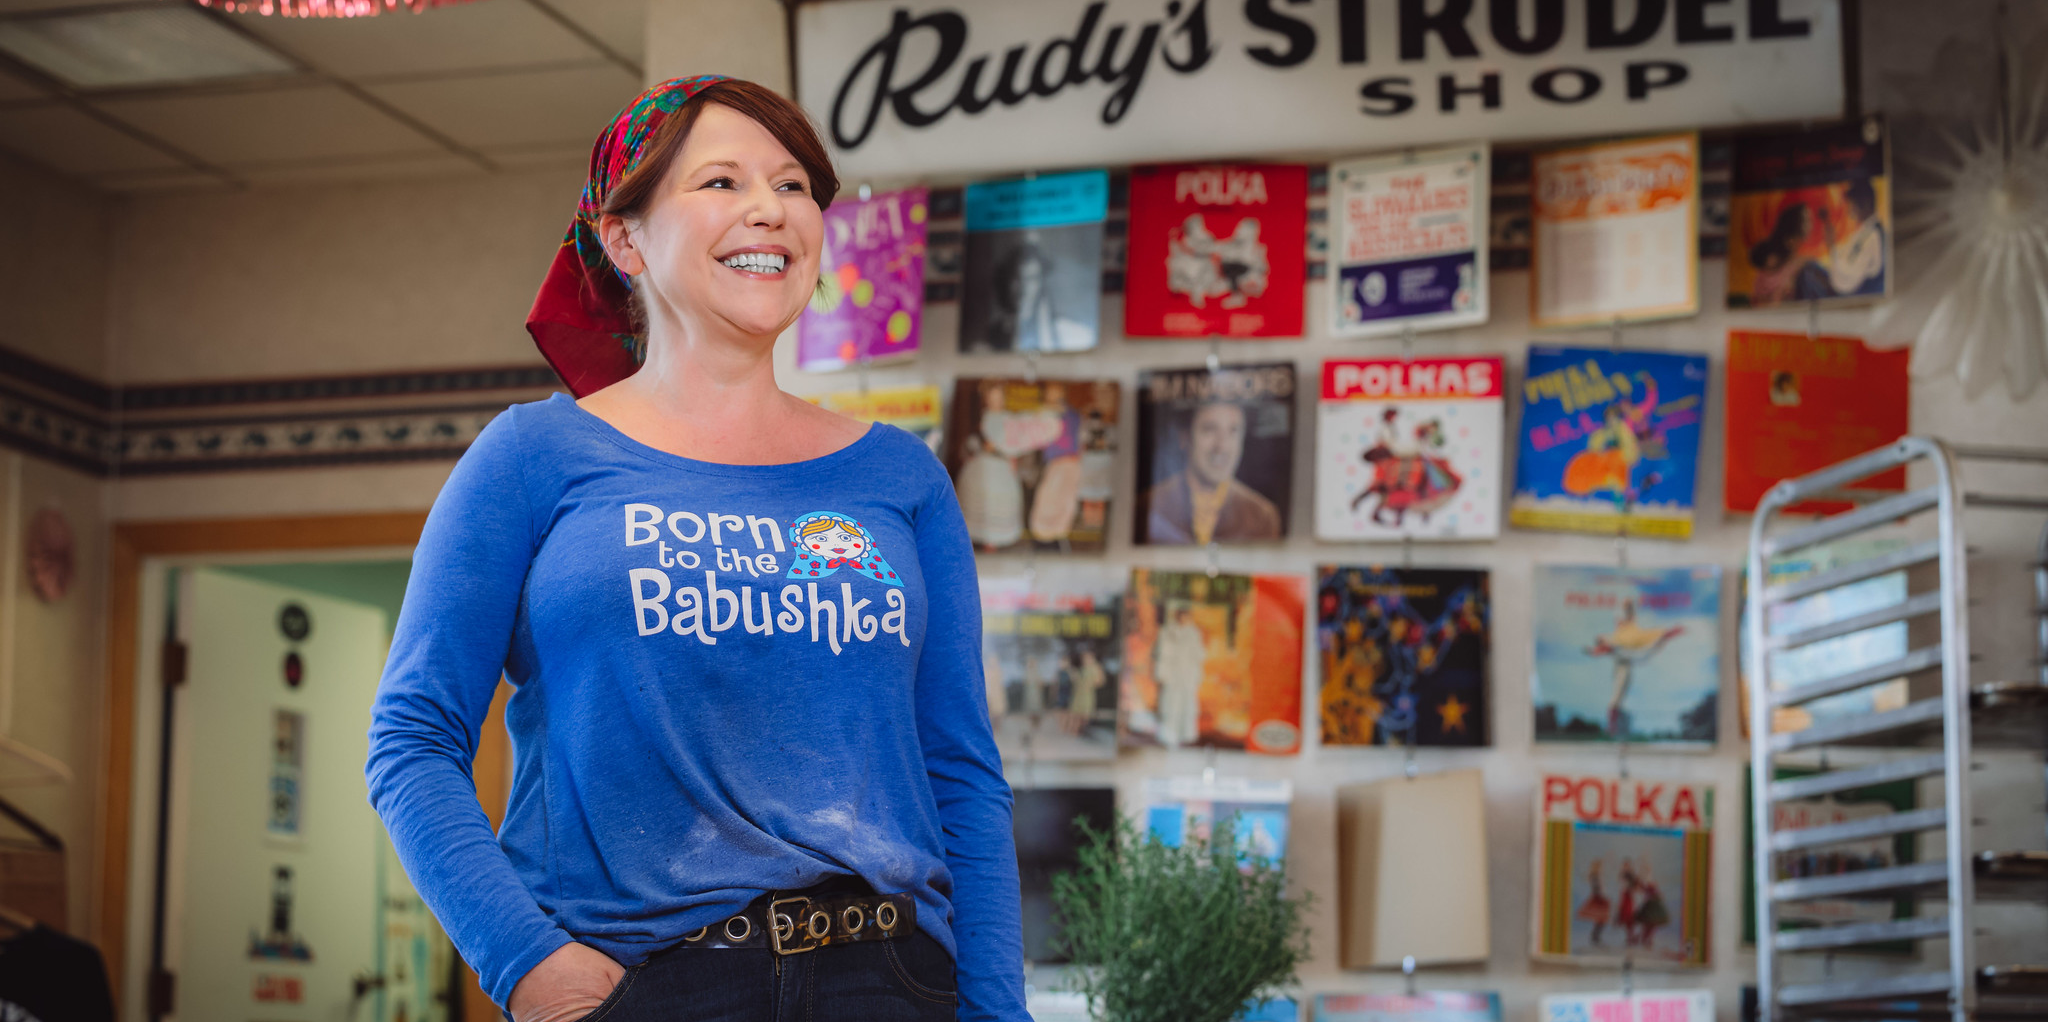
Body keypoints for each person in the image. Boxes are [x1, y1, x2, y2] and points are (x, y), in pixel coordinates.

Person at [366, 76, 1025, 1022]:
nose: (770, 210)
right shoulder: (532, 457)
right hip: (648, 984)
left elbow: (961, 771)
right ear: (622, 236)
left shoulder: (900, 477)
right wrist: (525, 963)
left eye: (795, 186)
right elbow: (411, 741)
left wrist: (998, 1010)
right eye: (721, 182)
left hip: (889, 981)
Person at [1142, 401, 1282, 544]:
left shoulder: (1262, 516)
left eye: (1233, 431)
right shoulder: (1146, 505)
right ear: (1185, 437)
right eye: (1209, 430)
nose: (1221, 447)